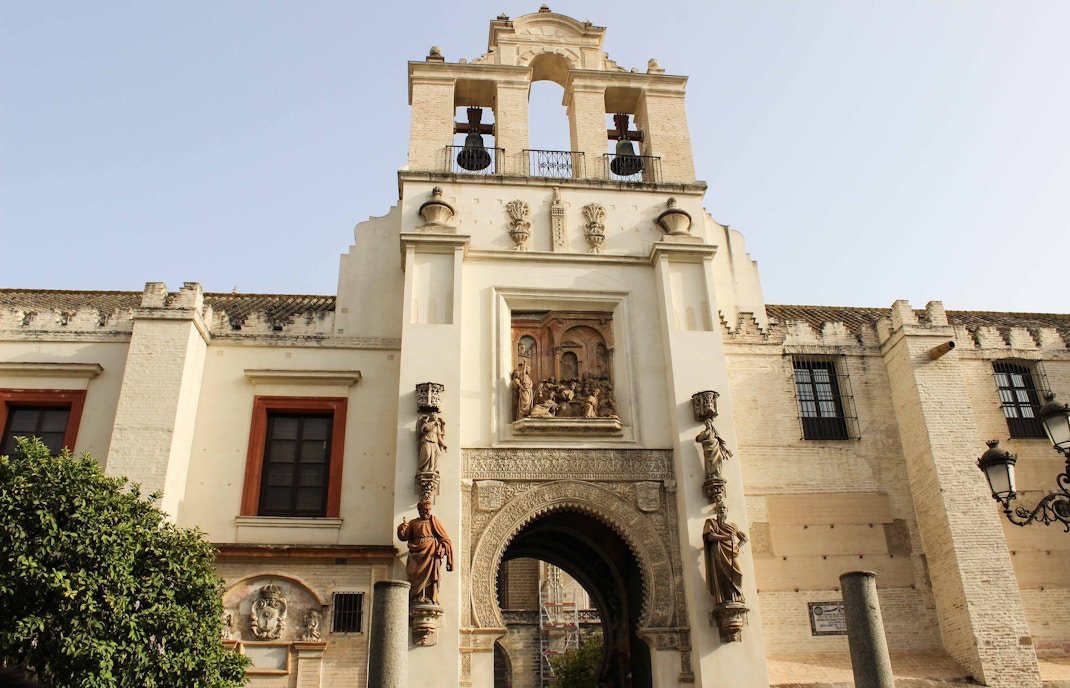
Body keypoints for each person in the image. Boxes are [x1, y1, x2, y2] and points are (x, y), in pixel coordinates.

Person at [397, 500, 454, 604]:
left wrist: (442, 548)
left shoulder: (434, 521)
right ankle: (416, 597)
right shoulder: (413, 523)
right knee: (414, 573)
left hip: (430, 552)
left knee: (430, 576)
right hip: (415, 553)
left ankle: (430, 596)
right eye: (425, 510)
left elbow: (445, 540)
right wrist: (401, 529)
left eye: (429, 510)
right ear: (420, 511)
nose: (427, 512)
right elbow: (404, 536)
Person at [703, 506, 747, 605]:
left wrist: (737, 547)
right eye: (720, 510)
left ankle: (737, 596)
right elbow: (710, 536)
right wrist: (726, 537)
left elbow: (744, 538)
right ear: (716, 512)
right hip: (719, 551)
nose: (722, 511)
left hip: (732, 552)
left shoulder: (733, 526)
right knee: (722, 574)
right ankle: (726, 597)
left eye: (724, 509)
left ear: (727, 511)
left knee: (739, 573)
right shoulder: (711, 522)